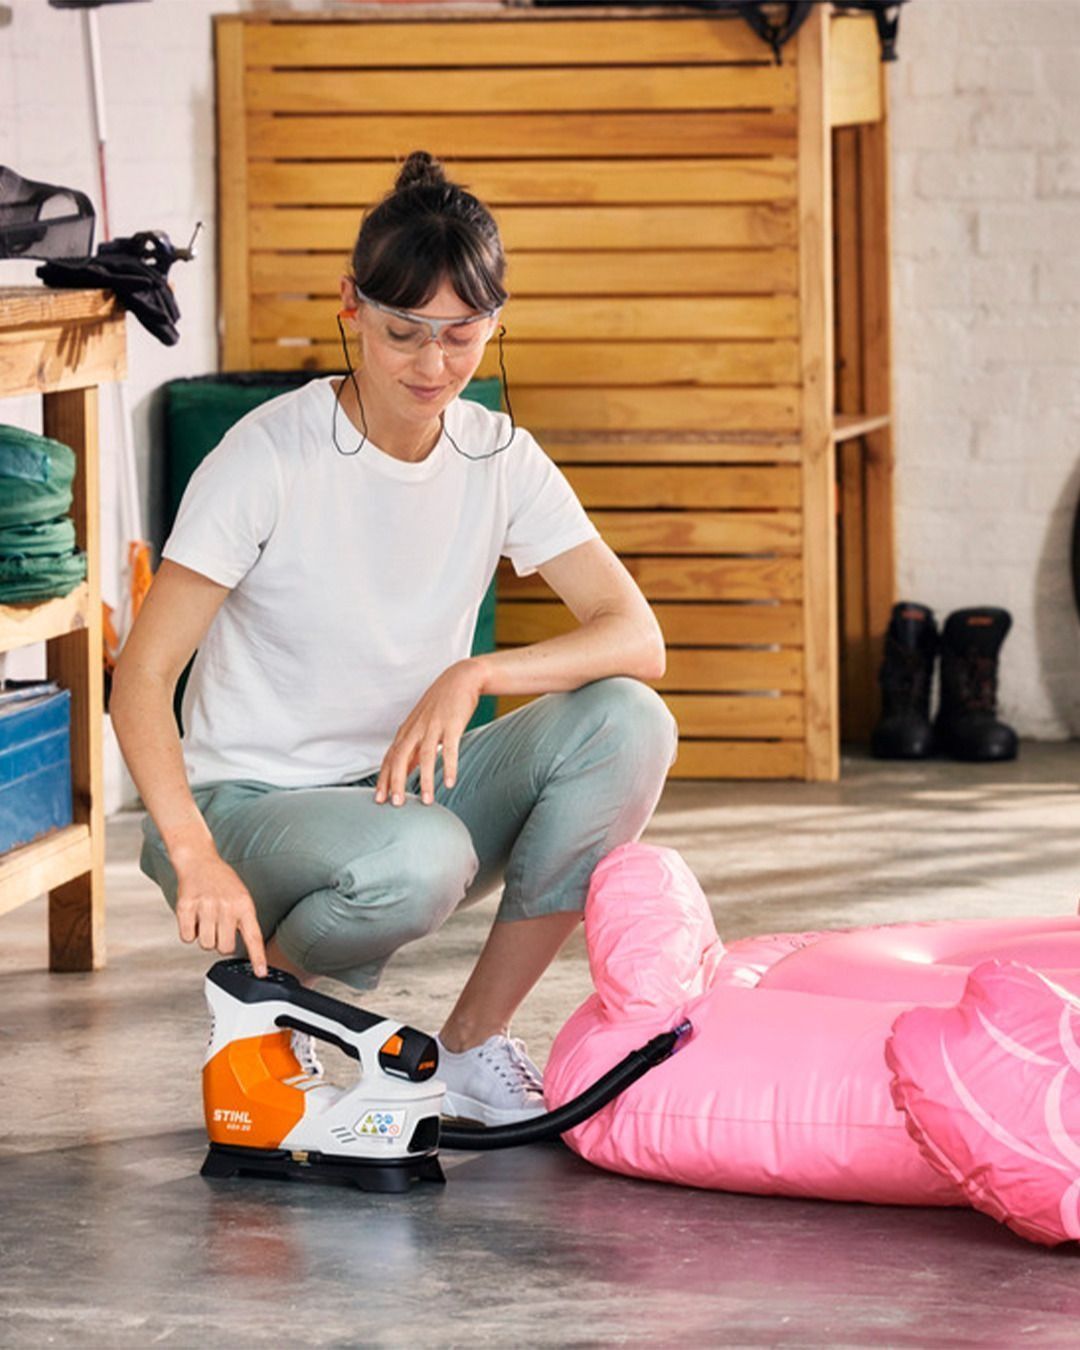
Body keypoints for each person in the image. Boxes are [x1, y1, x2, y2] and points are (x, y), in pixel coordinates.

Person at [111, 150, 678, 1125]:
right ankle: (263, 1002)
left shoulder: (498, 454)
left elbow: (636, 635)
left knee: (630, 723)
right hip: (244, 803)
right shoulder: (268, 455)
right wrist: (194, 853)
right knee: (422, 860)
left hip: (398, 789)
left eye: (462, 335)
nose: (432, 365)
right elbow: (142, 676)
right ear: (351, 309)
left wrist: (478, 672)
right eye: (403, 332)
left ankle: (469, 1046)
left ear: (495, 322)